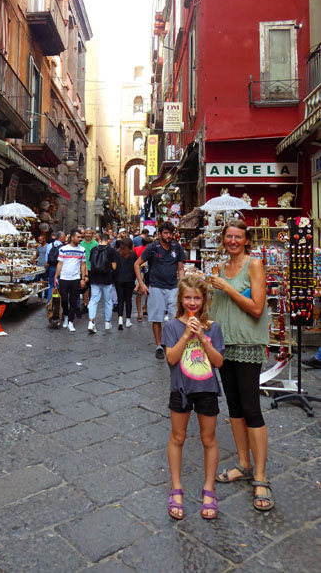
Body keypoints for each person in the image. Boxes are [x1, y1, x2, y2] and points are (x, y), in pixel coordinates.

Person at [210, 220, 273, 512]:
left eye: (238, 237)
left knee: (251, 408)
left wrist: (226, 288)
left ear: (246, 241)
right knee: (233, 407)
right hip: (226, 346)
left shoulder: (254, 265)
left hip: (248, 344)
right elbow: (218, 308)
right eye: (229, 237)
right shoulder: (220, 269)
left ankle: (260, 476)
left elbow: (257, 307)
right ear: (223, 240)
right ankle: (243, 463)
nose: (233, 241)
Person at [162, 275, 224, 520]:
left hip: (207, 388)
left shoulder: (213, 327)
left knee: (208, 439)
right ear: (180, 299)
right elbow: (171, 358)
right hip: (181, 389)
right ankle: (176, 489)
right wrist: (187, 335)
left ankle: (209, 489)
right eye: (187, 297)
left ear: (204, 300)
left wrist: (202, 337)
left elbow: (218, 361)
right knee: (178, 437)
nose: (192, 302)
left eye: (196, 298)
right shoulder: (172, 327)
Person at [135, 221, 186, 359]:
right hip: (156, 286)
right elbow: (137, 264)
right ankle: (159, 345)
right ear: (160, 234)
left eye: (170, 233)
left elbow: (180, 268)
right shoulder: (152, 247)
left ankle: (172, 343)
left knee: (175, 318)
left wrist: (183, 287)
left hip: (173, 287)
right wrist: (141, 283)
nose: (168, 236)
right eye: (165, 233)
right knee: (156, 318)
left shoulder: (177, 247)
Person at [54, 229, 87, 332]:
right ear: (72, 237)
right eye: (78, 237)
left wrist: (82, 278)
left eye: (81, 237)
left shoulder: (82, 250)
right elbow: (60, 263)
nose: (80, 239)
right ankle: (66, 315)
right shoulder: (63, 249)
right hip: (64, 278)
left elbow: (83, 265)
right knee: (63, 300)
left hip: (75, 279)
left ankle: (71, 322)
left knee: (73, 301)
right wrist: (56, 277)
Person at [87, 233, 118, 333]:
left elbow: (91, 264)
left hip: (95, 278)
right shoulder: (111, 251)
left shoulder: (93, 249)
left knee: (93, 300)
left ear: (99, 239)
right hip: (107, 279)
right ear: (108, 240)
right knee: (108, 301)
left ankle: (91, 321)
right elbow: (114, 267)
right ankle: (107, 322)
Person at [114, 237, 137, 330]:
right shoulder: (133, 255)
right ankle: (127, 320)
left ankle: (120, 319)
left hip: (118, 279)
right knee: (128, 300)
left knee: (120, 299)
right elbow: (136, 267)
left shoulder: (117, 254)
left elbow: (114, 267)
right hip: (130, 279)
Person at [80, 227, 98, 313]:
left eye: (89, 233)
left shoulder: (95, 244)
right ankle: (85, 304)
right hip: (83, 268)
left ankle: (91, 303)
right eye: (86, 233)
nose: (87, 234)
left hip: (92, 268)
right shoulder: (81, 243)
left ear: (92, 234)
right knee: (84, 287)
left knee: (92, 287)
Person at [45, 231, 65, 301]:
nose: (65, 238)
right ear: (61, 238)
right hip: (59, 269)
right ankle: (56, 303)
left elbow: (46, 259)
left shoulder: (49, 245)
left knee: (51, 286)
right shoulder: (63, 247)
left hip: (51, 268)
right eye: (64, 237)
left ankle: (49, 303)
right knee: (58, 286)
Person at [33, 234, 48, 299]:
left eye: (40, 240)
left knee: (45, 281)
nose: (39, 241)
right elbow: (37, 255)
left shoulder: (48, 246)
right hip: (39, 266)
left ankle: (46, 296)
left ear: (44, 239)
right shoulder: (39, 247)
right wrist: (33, 259)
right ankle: (39, 295)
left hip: (45, 267)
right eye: (38, 240)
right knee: (37, 281)